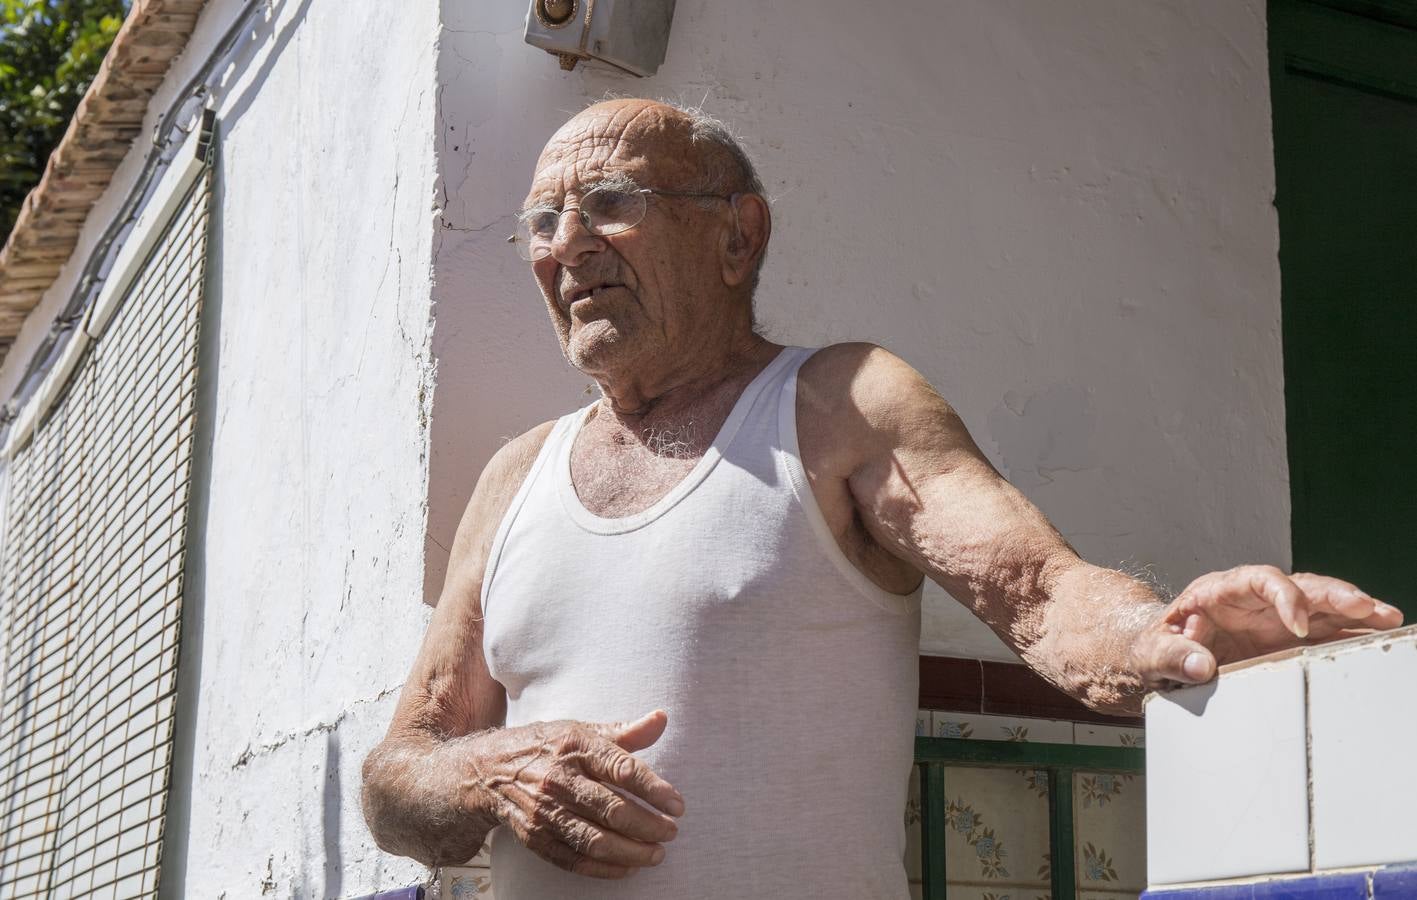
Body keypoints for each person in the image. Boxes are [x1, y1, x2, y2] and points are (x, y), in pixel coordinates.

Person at [360, 98, 1402, 898]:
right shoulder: (515, 476)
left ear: (737, 237)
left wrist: (1168, 633)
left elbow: (1036, 592)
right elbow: (398, 775)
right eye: (542, 220)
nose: (566, 243)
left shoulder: (839, 405)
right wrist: (489, 772)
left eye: (613, 205)